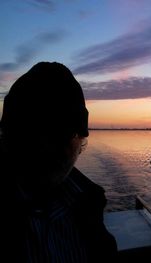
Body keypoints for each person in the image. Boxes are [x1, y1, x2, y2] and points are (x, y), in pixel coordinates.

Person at [0, 62, 118, 262]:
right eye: (29, 130)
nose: (43, 145)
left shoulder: (88, 205)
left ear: (81, 140)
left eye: (60, 133)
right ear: (6, 134)